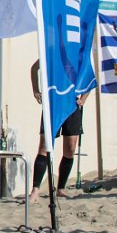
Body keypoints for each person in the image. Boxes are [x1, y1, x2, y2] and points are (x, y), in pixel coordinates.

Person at [28, 60, 88, 202]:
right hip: (53, 102)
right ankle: (35, 190)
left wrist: (84, 98)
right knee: (44, 146)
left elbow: (88, 76)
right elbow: (34, 68)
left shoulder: (77, 52)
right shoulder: (53, 50)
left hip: (72, 104)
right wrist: (36, 90)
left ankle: (61, 188)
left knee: (70, 148)